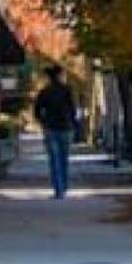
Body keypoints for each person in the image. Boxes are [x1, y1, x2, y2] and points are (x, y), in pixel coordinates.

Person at [34, 64, 78, 199]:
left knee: (54, 160)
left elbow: (37, 111)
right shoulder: (67, 90)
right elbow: (73, 109)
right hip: (65, 128)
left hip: (51, 128)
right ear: (60, 76)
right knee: (64, 159)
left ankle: (58, 189)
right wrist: (72, 122)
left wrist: (43, 122)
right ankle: (63, 187)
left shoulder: (44, 92)